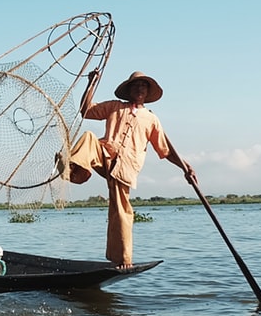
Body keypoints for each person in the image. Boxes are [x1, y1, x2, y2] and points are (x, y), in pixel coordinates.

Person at [58, 70, 195, 267]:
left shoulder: (151, 119)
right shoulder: (115, 107)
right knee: (88, 137)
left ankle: (123, 259)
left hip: (125, 167)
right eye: (135, 86)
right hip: (104, 154)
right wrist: (91, 84)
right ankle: (71, 171)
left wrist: (185, 167)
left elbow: (165, 150)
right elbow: (86, 110)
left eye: (143, 86)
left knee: (121, 212)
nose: (139, 89)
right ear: (129, 90)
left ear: (147, 92)